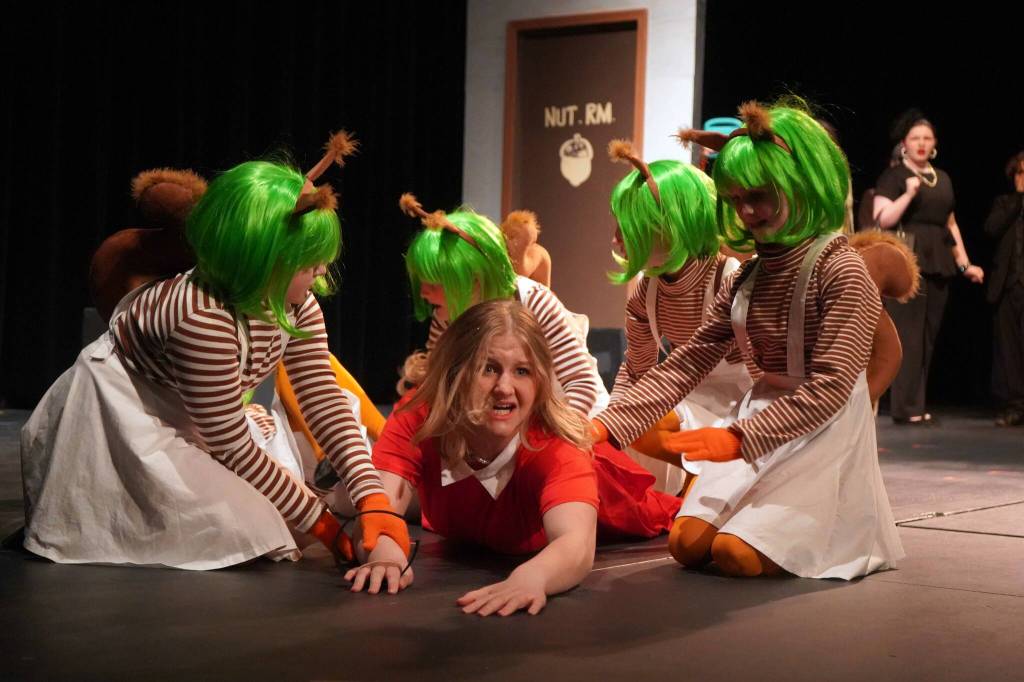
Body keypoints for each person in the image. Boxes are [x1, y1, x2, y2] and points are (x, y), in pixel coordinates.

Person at [21, 134, 411, 590]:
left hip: (203, 413)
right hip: (130, 411)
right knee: (249, 527)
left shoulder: (299, 304)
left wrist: (373, 500)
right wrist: (325, 527)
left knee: (275, 516)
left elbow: (320, 396)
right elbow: (230, 443)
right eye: (310, 262)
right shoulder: (200, 317)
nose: (323, 271)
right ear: (262, 260)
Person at [593, 99, 905, 579]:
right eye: (736, 198)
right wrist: (607, 425)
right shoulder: (752, 276)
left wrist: (738, 439)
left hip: (820, 427)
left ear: (802, 185)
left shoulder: (840, 270)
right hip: (755, 413)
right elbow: (688, 359)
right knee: (685, 544)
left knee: (737, 555)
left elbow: (832, 385)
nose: (747, 211)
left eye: (759, 195)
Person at [366, 299, 680, 615]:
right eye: (488, 369)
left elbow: (576, 545)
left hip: (619, 506)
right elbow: (379, 514)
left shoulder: (558, 449)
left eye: (522, 371)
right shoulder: (418, 417)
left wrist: (532, 577)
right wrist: (385, 555)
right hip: (473, 513)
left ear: (539, 381)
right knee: (351, 498)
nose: (505, 387)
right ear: (455, 372)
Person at [605, 139, 752, 495]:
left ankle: (711, 477)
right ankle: (693, 477)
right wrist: (609, 423)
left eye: (629, 226)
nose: (617, 238)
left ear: (671, 226)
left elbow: (765, 372)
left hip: (743, 409)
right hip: (687, 400)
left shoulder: (729, 279)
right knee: (626, 420)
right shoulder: (647, 291)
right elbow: (637, 371)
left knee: (645, 420)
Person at [401, 193, 607, 417]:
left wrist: (555, 441)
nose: (423, 292)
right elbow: (439, 385)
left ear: (474, 278)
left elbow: (581, 384)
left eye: (435, 282)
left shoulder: (535, 302)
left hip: (568, 421)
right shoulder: (447, 317)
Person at [873, 110, 984, 424]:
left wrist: (965, 265)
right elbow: (883, 219)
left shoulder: (943, 178)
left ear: (934, 143)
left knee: (927, 337)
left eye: (927, 138)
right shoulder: (893, 177)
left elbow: (951, 224)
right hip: (907, 262)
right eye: (915, 139)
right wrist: (908, 194)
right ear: (904, 144)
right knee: (906, 335)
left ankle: (916, 405)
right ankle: (905, 408)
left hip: (939, 262)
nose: (921, 144)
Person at [984, 150, 1024, 426]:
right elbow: (991, 229)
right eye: (1022, 172)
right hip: (1008, 286)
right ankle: (1014, 405)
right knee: (1008, 350)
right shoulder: (1004, 203)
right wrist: (1019, 199)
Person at [501, 210, 552, 288]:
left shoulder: (540, 255)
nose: (515, 244)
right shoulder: (496, 251)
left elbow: (518, 273)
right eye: (512, 236)